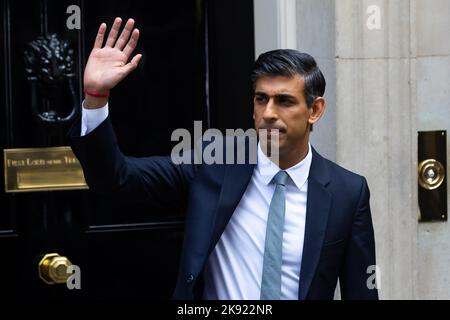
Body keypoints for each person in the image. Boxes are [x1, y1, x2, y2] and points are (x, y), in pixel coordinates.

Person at [69, 17, 378, 300]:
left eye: (284, 101)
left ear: (315, 110)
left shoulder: (347, 193)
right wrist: (96, 99)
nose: (268, 114)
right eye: (261, 99)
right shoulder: (214, 165)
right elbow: (116, 179)